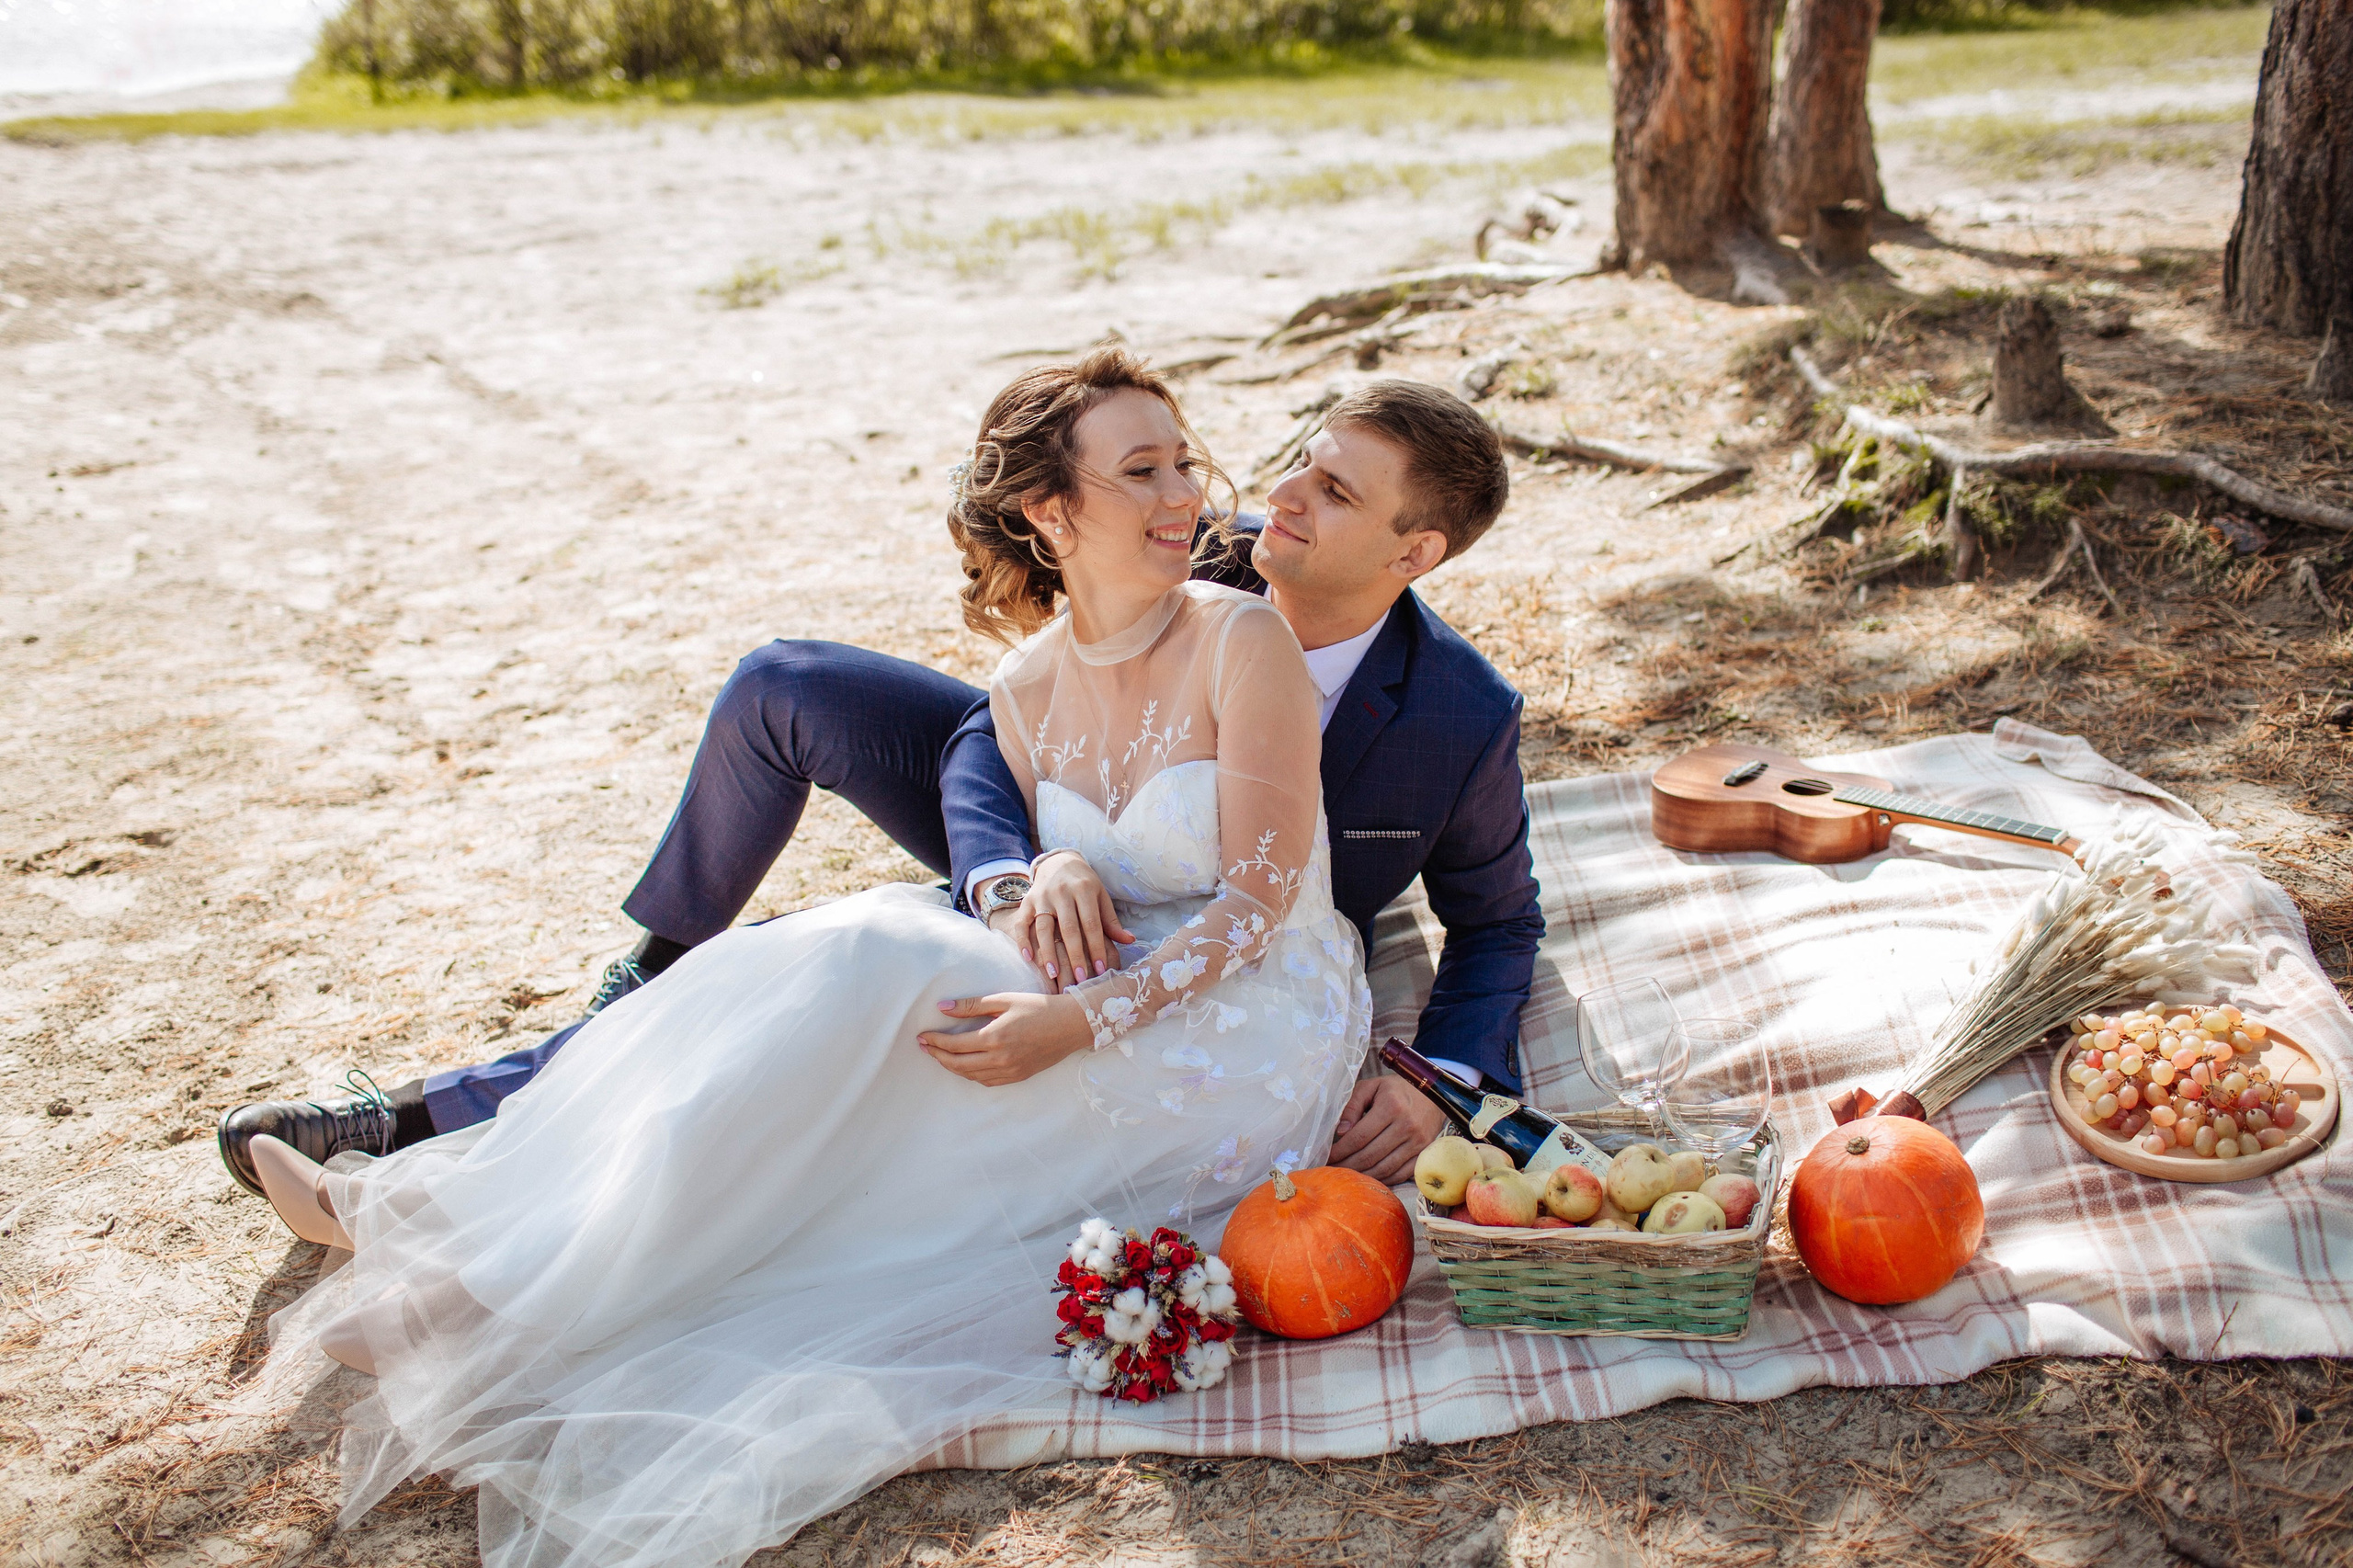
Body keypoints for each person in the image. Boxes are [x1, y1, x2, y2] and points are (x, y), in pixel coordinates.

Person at [247, 350, 1375, 1568]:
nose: (1183, 495)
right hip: (1099, 963)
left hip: (1250, 1014)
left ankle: (486, 1284)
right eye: (1140, 469)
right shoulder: (1023, 686)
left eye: (1183, 461)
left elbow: (1258, 904)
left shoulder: (1241, 636)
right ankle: (482, 1240)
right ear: (1050, 512)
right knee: (839, 962)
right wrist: (1053, 874)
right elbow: (1018, 841)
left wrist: (1079, 1020)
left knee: (887, 1009)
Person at [219, 373, 1542, 1194]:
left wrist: (1443, 1078)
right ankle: (659, 956)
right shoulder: (1201, 548)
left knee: (832, 986)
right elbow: (992, 733)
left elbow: (1497, 921)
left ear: (1415, 548)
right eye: (1300, 458)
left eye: (1336, 489)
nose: (1279, 495)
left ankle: (439, 1127)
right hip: (1073, 852)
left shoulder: (1458, 719)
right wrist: (1017, 867)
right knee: (783, 685)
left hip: (1217, 928)